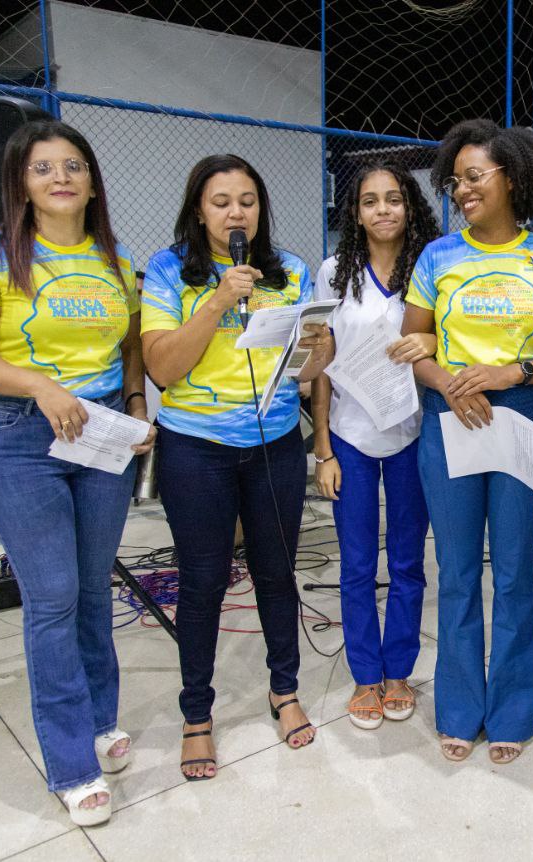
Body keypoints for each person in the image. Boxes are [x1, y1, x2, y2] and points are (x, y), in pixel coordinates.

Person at [0, 119, 153, 826]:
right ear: (22, 185)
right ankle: (71, 764)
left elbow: (129, 346)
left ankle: (99, 719)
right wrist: (38, 385)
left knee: (94, 589)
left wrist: (130, 408)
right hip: (20, 437)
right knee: (55, 597)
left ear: (92, 181)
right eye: (42, 169)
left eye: (73, 166)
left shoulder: (115, 260)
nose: (60, 177)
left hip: (98, 437)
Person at [140, 154, 334, 780]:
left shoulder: (292, 271)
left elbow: (307, 374)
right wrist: (219, 299)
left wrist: (318, 349)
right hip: (196, 448)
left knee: (277, 573)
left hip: (275, 443)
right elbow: (164, 369)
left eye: (247, 201)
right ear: (199, 209)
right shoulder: (171, 270)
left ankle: (284, 690)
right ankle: (197, 716)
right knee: (203, 583)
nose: (235, 213)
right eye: (221, 201)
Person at [402, 118, 533, 764]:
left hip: (522, 414)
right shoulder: (437, 257)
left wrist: (514, 372)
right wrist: (449, 382)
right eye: (456, 181)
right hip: (450, 415)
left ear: (513, 177)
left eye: (475, 177)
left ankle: (510, 710)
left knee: (510, 573)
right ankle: (458, 708)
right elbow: (415, 346)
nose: (462, 191)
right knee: (454, 571)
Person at [311, 161, 440, 730]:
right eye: (370, 201)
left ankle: (397, 671)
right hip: (351, 436)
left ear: (410, 206)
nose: (382, 209)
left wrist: (429, 339)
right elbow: (321, 365)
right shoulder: (335, 272)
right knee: (358, 563)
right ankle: (365, 674)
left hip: (413, 434)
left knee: (409, 562)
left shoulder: (431, 267)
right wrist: (323, 449)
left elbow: (449, 341)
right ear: (354, 212)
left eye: (393, 198)